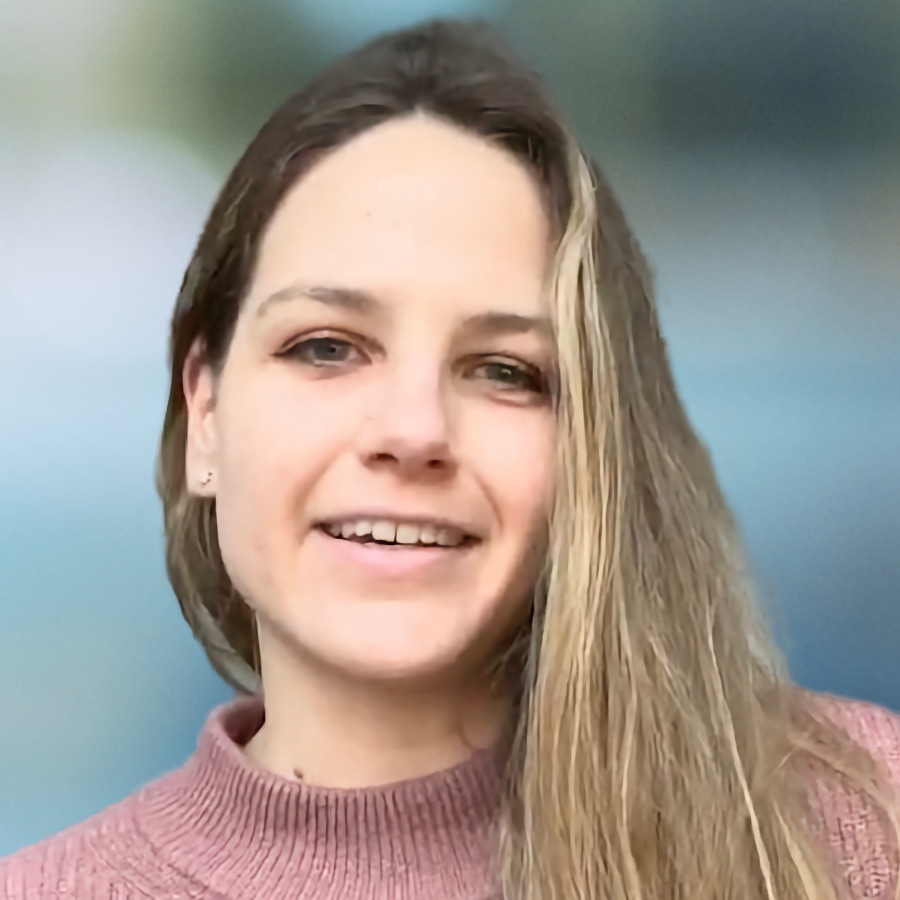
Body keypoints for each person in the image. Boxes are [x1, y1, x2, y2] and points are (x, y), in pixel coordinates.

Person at [2, 18, 898, 900]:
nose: (415, 430)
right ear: (204, 410)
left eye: (505, 371)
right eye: (326, 347)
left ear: (590, 442)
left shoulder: (857, 820)